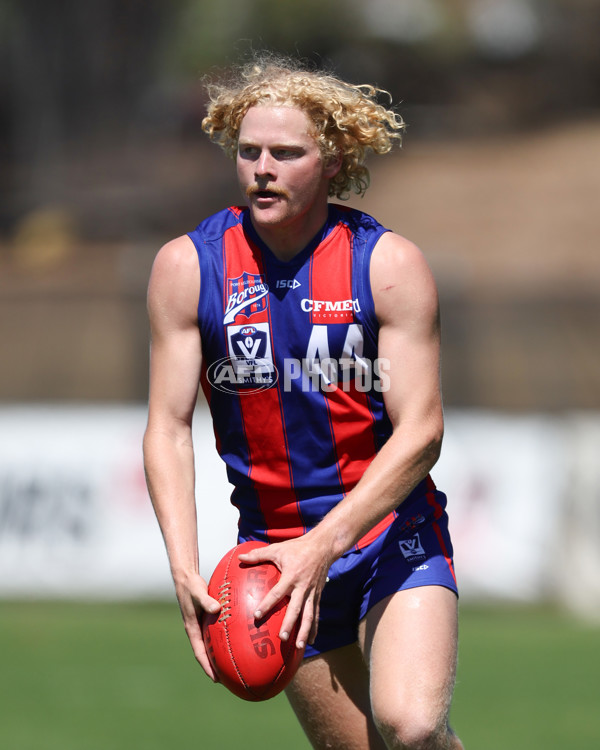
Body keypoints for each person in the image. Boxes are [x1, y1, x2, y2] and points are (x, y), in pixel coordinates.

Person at [143, 53, 464, 750]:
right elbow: (167, 428)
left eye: (286, 153)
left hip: (386, 536)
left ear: (332, 159)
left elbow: (423, 432)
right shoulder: (186, 267)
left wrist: (326, 544)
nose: (263, 167)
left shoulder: (387, 265)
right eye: (249, 151)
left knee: (409, 727)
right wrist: (185, 568)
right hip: (271, 560)